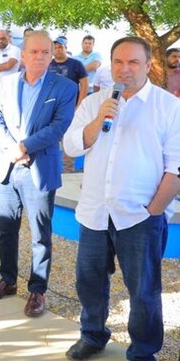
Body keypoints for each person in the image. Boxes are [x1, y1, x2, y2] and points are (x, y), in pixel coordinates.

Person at [62, 36, 180, 361]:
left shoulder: (168, 107)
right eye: (118, 62)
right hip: (95, 213)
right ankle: (93, 335)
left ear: (148, 65)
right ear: (111, 64)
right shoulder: (94, 103)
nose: (124, 70)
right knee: (89, 282)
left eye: (133, 63)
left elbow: (176, 167)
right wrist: (98, 121)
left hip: (139, 216)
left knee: (143, 291)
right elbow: (71, 147)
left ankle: (143, 351)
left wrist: (154, 211)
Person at [0, 30, 77, 317]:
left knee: (40, 234)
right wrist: (12, 148)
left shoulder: (65, 87)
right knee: (6, 229)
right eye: (33, 52)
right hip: (8, 169)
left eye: (45, 52)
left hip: (39, 169)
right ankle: (8, 280)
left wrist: (24, 146)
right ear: (22, 55)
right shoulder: (6, 83)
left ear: (52, 54)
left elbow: (59, 126)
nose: (39, 57)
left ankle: (37, 290)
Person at [48, 36, 88, 106]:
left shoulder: (76, 64)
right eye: (55, 48)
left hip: (70, 104)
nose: (58, 49)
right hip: (51, 104)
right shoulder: (47, 65)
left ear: (65, 48)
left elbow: (84, 85)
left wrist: (79, 105)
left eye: (60, 47)